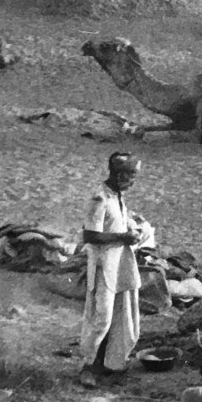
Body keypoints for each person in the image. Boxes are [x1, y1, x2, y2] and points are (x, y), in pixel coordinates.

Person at [77, 151, 145, 387]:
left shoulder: (117, 197)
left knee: (121, 315)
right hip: (103, 266)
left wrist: (133, 232)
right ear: (119, 174)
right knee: (101, 319)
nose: (132, 181)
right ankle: (88, 366)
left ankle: (111, 364)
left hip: (120, 265)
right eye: (130, 175)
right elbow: (90, 234)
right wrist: (122, 237)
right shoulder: (99, 198)